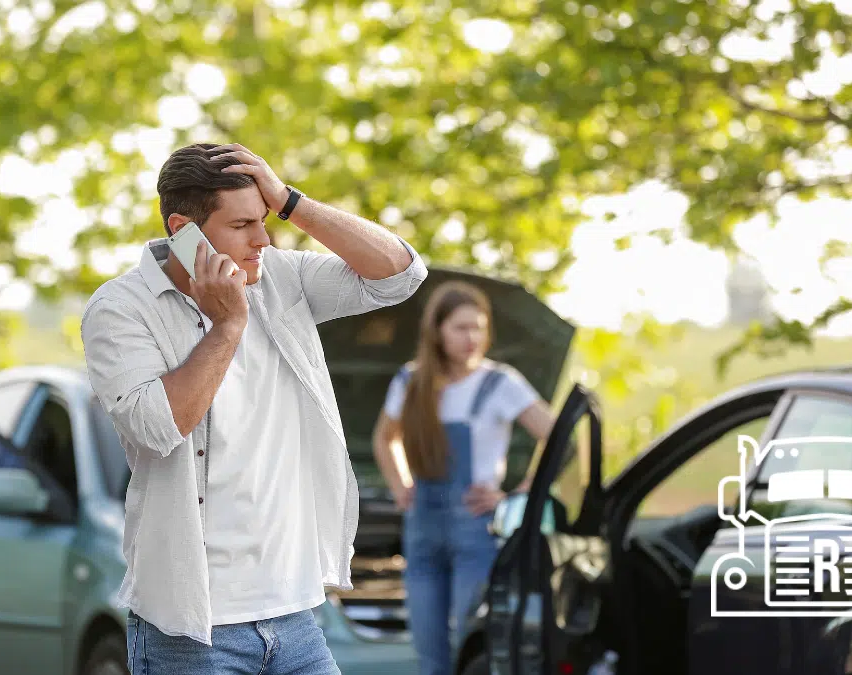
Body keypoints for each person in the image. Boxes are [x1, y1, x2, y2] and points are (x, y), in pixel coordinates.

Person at [81, 142, 427, 674]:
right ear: (182, 229)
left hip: (296, 619)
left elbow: (400, 275)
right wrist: (227, 327)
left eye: (266, 220)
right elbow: (158, 428)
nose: (263, 238)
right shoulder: (119, 310)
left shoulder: (281, 276)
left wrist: (291, 201)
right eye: (243, 224)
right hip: (193, 632)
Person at [371, 281, 556, 675]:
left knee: (468, 644)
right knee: (428, 650)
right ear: (437, 331)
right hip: (421, 535)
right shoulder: (410, 380)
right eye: (460, 327)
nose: (472, 337)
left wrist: (517, 495)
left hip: (477, 535)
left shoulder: (500, 383)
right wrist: (400, 486)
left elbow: (558, 438)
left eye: (478, 327)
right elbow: (385, 439)